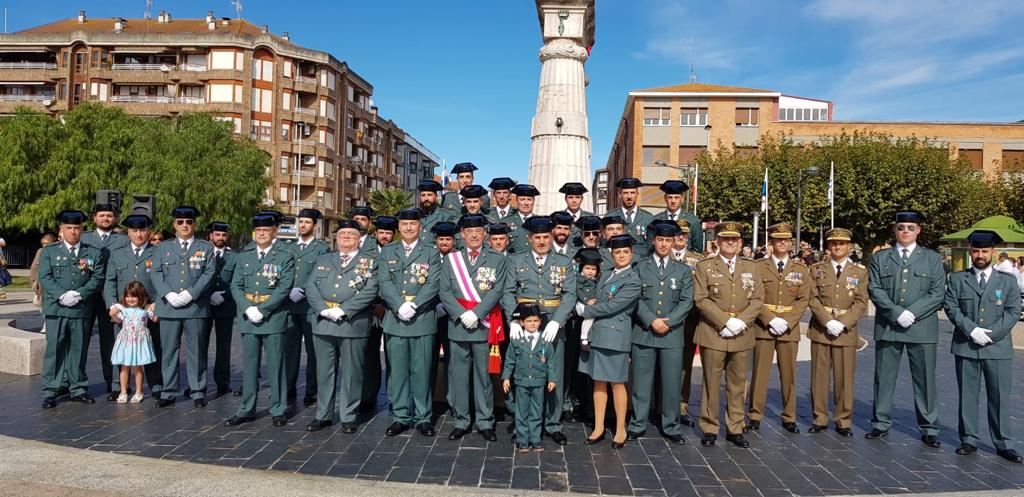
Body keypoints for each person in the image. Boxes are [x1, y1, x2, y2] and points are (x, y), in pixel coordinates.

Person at [866, 210, 946, 446]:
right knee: (884, 377)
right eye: (901, 228)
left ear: (918, 231)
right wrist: (896, 313)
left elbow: (937, 292)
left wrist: (912, 312)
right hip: (889, 326)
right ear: (895, 230)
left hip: (921, 327)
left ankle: (929, 426)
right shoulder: (881, 259)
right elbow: (875, 289)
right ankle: (880, 423)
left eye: (910, 228)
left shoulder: (931, 259)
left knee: (925, 380)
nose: (905, 232)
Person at [944, 230, 1023, 463]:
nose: (980, 255)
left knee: (999, 396)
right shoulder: (959, 279)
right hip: (966, 345)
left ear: (993, 253)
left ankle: (1004, 443)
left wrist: (991, 335)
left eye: (985, 251)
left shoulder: (1007, 281)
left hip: (997, 347)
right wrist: (971, 330)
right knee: (967, 395)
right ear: (970, 252)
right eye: (976, 251)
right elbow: (951, 307)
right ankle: (968, 439)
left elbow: (1013, 312)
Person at [501, 216, 576, 446]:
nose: (542, 241)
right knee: (523, 373)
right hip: (525, 324)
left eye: (546, 237)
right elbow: (508, 292)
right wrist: (514, 320)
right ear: (529, 238)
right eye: (537, 238)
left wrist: (557, 321)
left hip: (553, 324)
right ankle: (521, 422)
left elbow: (570, 294)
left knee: (554, 374)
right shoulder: (516, 261)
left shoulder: (564, 262)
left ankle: (553, 424)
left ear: (552, 237)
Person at [693, 221, 764, 448]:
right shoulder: (705, 266)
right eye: (725, 239)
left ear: (740, 243)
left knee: (737, 384)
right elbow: (701, 299)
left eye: (734, 239)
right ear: (717, 242)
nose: (730, 243)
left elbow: (757, 299)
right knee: (711, 383)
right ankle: (709, 426)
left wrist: (740, 322)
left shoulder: (752, 267)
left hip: (741, 333)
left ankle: (735, 427)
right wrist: (724, 321)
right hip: (714, 331)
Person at [305, 220, 380, 433]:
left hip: (352, 324)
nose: (346, 237)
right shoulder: (324, 259)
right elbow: (311, 286)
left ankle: (348, 415)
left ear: (359, 239)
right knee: (324, 372)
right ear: (336, 238)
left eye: (351, 234)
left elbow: (370, 290)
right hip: (324, 323)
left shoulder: (370, 262)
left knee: (352, 372)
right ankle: (323, 415)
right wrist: (323, 309)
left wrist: (345, 310)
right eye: (342, 233)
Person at [439, 213, 506, 442]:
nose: (474, 235)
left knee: (483, 377)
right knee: (458, 376)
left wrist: (477, 314)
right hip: (458, 326)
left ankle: (485, 421)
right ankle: (461, 420)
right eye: (470, 232)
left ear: (485, 234)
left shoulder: (497, 259)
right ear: (463, 235)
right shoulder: (452, 260)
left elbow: (497, 291)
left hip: (484, 326)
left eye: (478, 231)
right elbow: (444, 291)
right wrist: (461, 314)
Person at [224, 214, 296, 427]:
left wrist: (263, 309)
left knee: (276, 364)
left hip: (272, 316)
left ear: (274, 231)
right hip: (248, 316)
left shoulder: (284, 254)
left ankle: (278, 408)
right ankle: (246, 409)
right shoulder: (245, 254)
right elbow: (235, 285)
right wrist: (247, 308)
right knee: (249, 365)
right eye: (258, 230)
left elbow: (285, 287)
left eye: (266, 229)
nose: (262, 233)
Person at [628, 222, 693, 445]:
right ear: (653, 241)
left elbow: (686, 302)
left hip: (672, 335)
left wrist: (669, 322)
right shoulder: (639, 267)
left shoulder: (683, 270)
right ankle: (637, 423)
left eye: (668, 240)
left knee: (672, 383)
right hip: (644, 332)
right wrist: (651, 320)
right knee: (641, 383)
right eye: (660, 240)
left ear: (674, 242)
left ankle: (671, 425)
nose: (664, 244)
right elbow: (634, 297)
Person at [379, 208, 442, 437]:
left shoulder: (431, 252)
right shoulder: (388, 251)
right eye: (404, 224)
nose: (408, 228)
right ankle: (400, 416)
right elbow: (384, 281)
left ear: (420, 227)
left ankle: (424, 417)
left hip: (422, 318)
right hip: (395, 319)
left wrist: (414, 305)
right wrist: (399, 305)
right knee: (398, 372)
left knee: (422, 370)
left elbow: (433, 283)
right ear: (398, 228)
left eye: (412, 224)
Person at [578, 234, 642, 448]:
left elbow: (612, 307)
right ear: (611, 254)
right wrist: (593, 304)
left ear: (631, 254)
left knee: (617, 383)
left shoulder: (633, 280)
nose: (621, 256)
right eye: (617, 252)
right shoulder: (605, 275)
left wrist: (586, 309)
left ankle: (621, 428)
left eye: (625, 252)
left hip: (615, 336)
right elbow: (599, 298)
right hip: (598, 334)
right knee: (598, 381)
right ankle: (598, 427)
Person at [747, 223, 810, 434]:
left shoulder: (801, 269)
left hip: (789, 328)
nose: (782, 242)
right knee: (760, 373)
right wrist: (770, 319)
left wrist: (789, 321)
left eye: (786, 239)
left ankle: (789, 415)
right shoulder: (758, 267)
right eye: (777, 239)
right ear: (771, 242)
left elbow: (803, 299)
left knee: (789, 374)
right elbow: (754, 295)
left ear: (791, 242)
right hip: (764, 326)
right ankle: (755, 414)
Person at [39, 210, 106, 408]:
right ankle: (51, 390)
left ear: (82, 229)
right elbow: (45, 277)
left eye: (77, 228)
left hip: (80, 308)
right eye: (69, 228)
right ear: (61, 230)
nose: (73, 232)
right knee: (55, 349)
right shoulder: (49, 252)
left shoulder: (92, 253)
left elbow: (97, 278)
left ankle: (78, 388)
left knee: (79, 349)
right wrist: (62, 295)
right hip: (56, 308)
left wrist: (79, 295)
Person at [806, 228, 869, 437]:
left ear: (849, 246)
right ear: (828, 246)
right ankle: (820, 417)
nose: (838, 247)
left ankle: (843, 420)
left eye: (842, 244)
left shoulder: (859, 272)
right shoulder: (816, 269)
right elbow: (812, 298)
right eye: (834, 243)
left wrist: (843, 322)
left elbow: (861, 302)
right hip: (821, 329)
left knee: (844, 379)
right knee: (819, 377)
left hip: (846, 331)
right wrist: (826, 321)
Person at [151, 206, 215, 408]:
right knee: (169, 351)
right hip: (169, 307)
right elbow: (156, 273)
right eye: (180, 222)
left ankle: (197, 390)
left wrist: (191, 293)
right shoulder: (163, 247)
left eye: (188, 222)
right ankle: (168, 391)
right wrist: (168, 294)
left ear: (195, 224)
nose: (185, 226)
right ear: (174, 225)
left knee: (196, 350)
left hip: (195, 307)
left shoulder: (205, 247)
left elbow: (209, 274)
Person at [103, 214, 163, 399]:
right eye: (135, 231)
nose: (139, 234)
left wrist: (158, 305)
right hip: (124, 312)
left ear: (148, 232)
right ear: (128, 232)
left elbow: (165, 281)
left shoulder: (158, 252)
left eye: (143, 230)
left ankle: (156, 385)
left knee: (153, 347)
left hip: (149, 310)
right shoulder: (118, 253)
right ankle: (118, 387)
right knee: (121, 349)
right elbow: (109, 282)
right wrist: (112, 305)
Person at [82, 202, 130, 400]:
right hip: (86, 296)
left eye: (109, 216)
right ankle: (75, 383)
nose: (106, 219)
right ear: (94, 218)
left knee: (111, 341)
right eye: (102, 215)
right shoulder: (84, 238)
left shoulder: (124, 240)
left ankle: (114, 383)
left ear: (115, 219)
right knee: (80, 341)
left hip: (111, 297)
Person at [285, 208, 331, 406]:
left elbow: (321, 275)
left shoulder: (322, 249)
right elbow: (282, 272)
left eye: (307, 222)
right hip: (289, 305)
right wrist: (288, 290)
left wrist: (303, 289)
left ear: (315, 225)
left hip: (310, 306)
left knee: (314, 351)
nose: (302, 225)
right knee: (289, 349)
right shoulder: (288, 247)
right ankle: (287, 387)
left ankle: (312, 390)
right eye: (300, 222)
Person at [503, 303, 556, 453]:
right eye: (528, 321)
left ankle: (536, 439)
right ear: (521, 322)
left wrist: (552, 379)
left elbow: (551, 362)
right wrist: (506, 377)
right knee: (521, 411)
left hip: (539, 381)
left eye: (535, 321)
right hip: (521, 381)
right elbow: (509, 360)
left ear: (540, 321)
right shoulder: (516, 341)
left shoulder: (545, 341)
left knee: (537, 411)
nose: (532, 324)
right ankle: (522, 440)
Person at [109, 281, 158, 403]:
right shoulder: (124, 309)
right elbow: (118, 321)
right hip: (126, 341)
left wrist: (157, 308)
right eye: (128, 296)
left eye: (134, 296)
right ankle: (123, 391)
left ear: (141, 296)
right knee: (124, 368)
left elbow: (155, 319)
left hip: (139, 341)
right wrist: (113, 314)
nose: (130, 299)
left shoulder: (145, 309)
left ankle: (139, 392)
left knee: (138, 368)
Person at [205, 222, 236, 395]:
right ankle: (198, 382)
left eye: (224, 235)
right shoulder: (201, 254)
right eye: (217, 235)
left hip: (226, 306)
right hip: (205, 305)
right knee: (200, 345)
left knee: (224, 346)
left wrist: (223, 295)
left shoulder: (234, 257)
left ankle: (223, 381)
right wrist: (208, 294)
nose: (221, 238)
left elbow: (239, 282)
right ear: (211, 236)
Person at [605, 177, 654, 258]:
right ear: (620, 194)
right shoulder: (610, 216)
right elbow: (605, 244)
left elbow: (651, 245)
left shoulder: (648, 217)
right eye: (625, 193)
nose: (629, 196)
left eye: (632, 192)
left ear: (637, 193)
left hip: (641, 263)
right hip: (618, 261)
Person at [653, 180, 703, 254]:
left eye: (676, 197)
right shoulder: (656, 220)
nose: (673, 201)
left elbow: (697, 249)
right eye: (670, 197)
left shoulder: (692, 220)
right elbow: (651, 246)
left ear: (682, 199)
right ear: (665, 198)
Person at [502, 184, 541, 254]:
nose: (526, 203)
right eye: (522, 199)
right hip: (512, 263)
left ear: (534, 201)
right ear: (516, 200)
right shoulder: (505, 222)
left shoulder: (540, 222)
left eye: (529, 199)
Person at [417, 180, 454, 245]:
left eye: (429, 195)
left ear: (436, 196)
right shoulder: (414, 215)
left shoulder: (445, 216)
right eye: (423, 195)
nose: (426, 198)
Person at [31, 232, 58, 311]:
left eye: (47, 243)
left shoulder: (57, 251)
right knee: (42, 304)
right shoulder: (40, 251)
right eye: (43, 243)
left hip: (52, 281)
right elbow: (33, 267)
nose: (45, 245)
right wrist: (33, 281)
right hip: (41, 282)